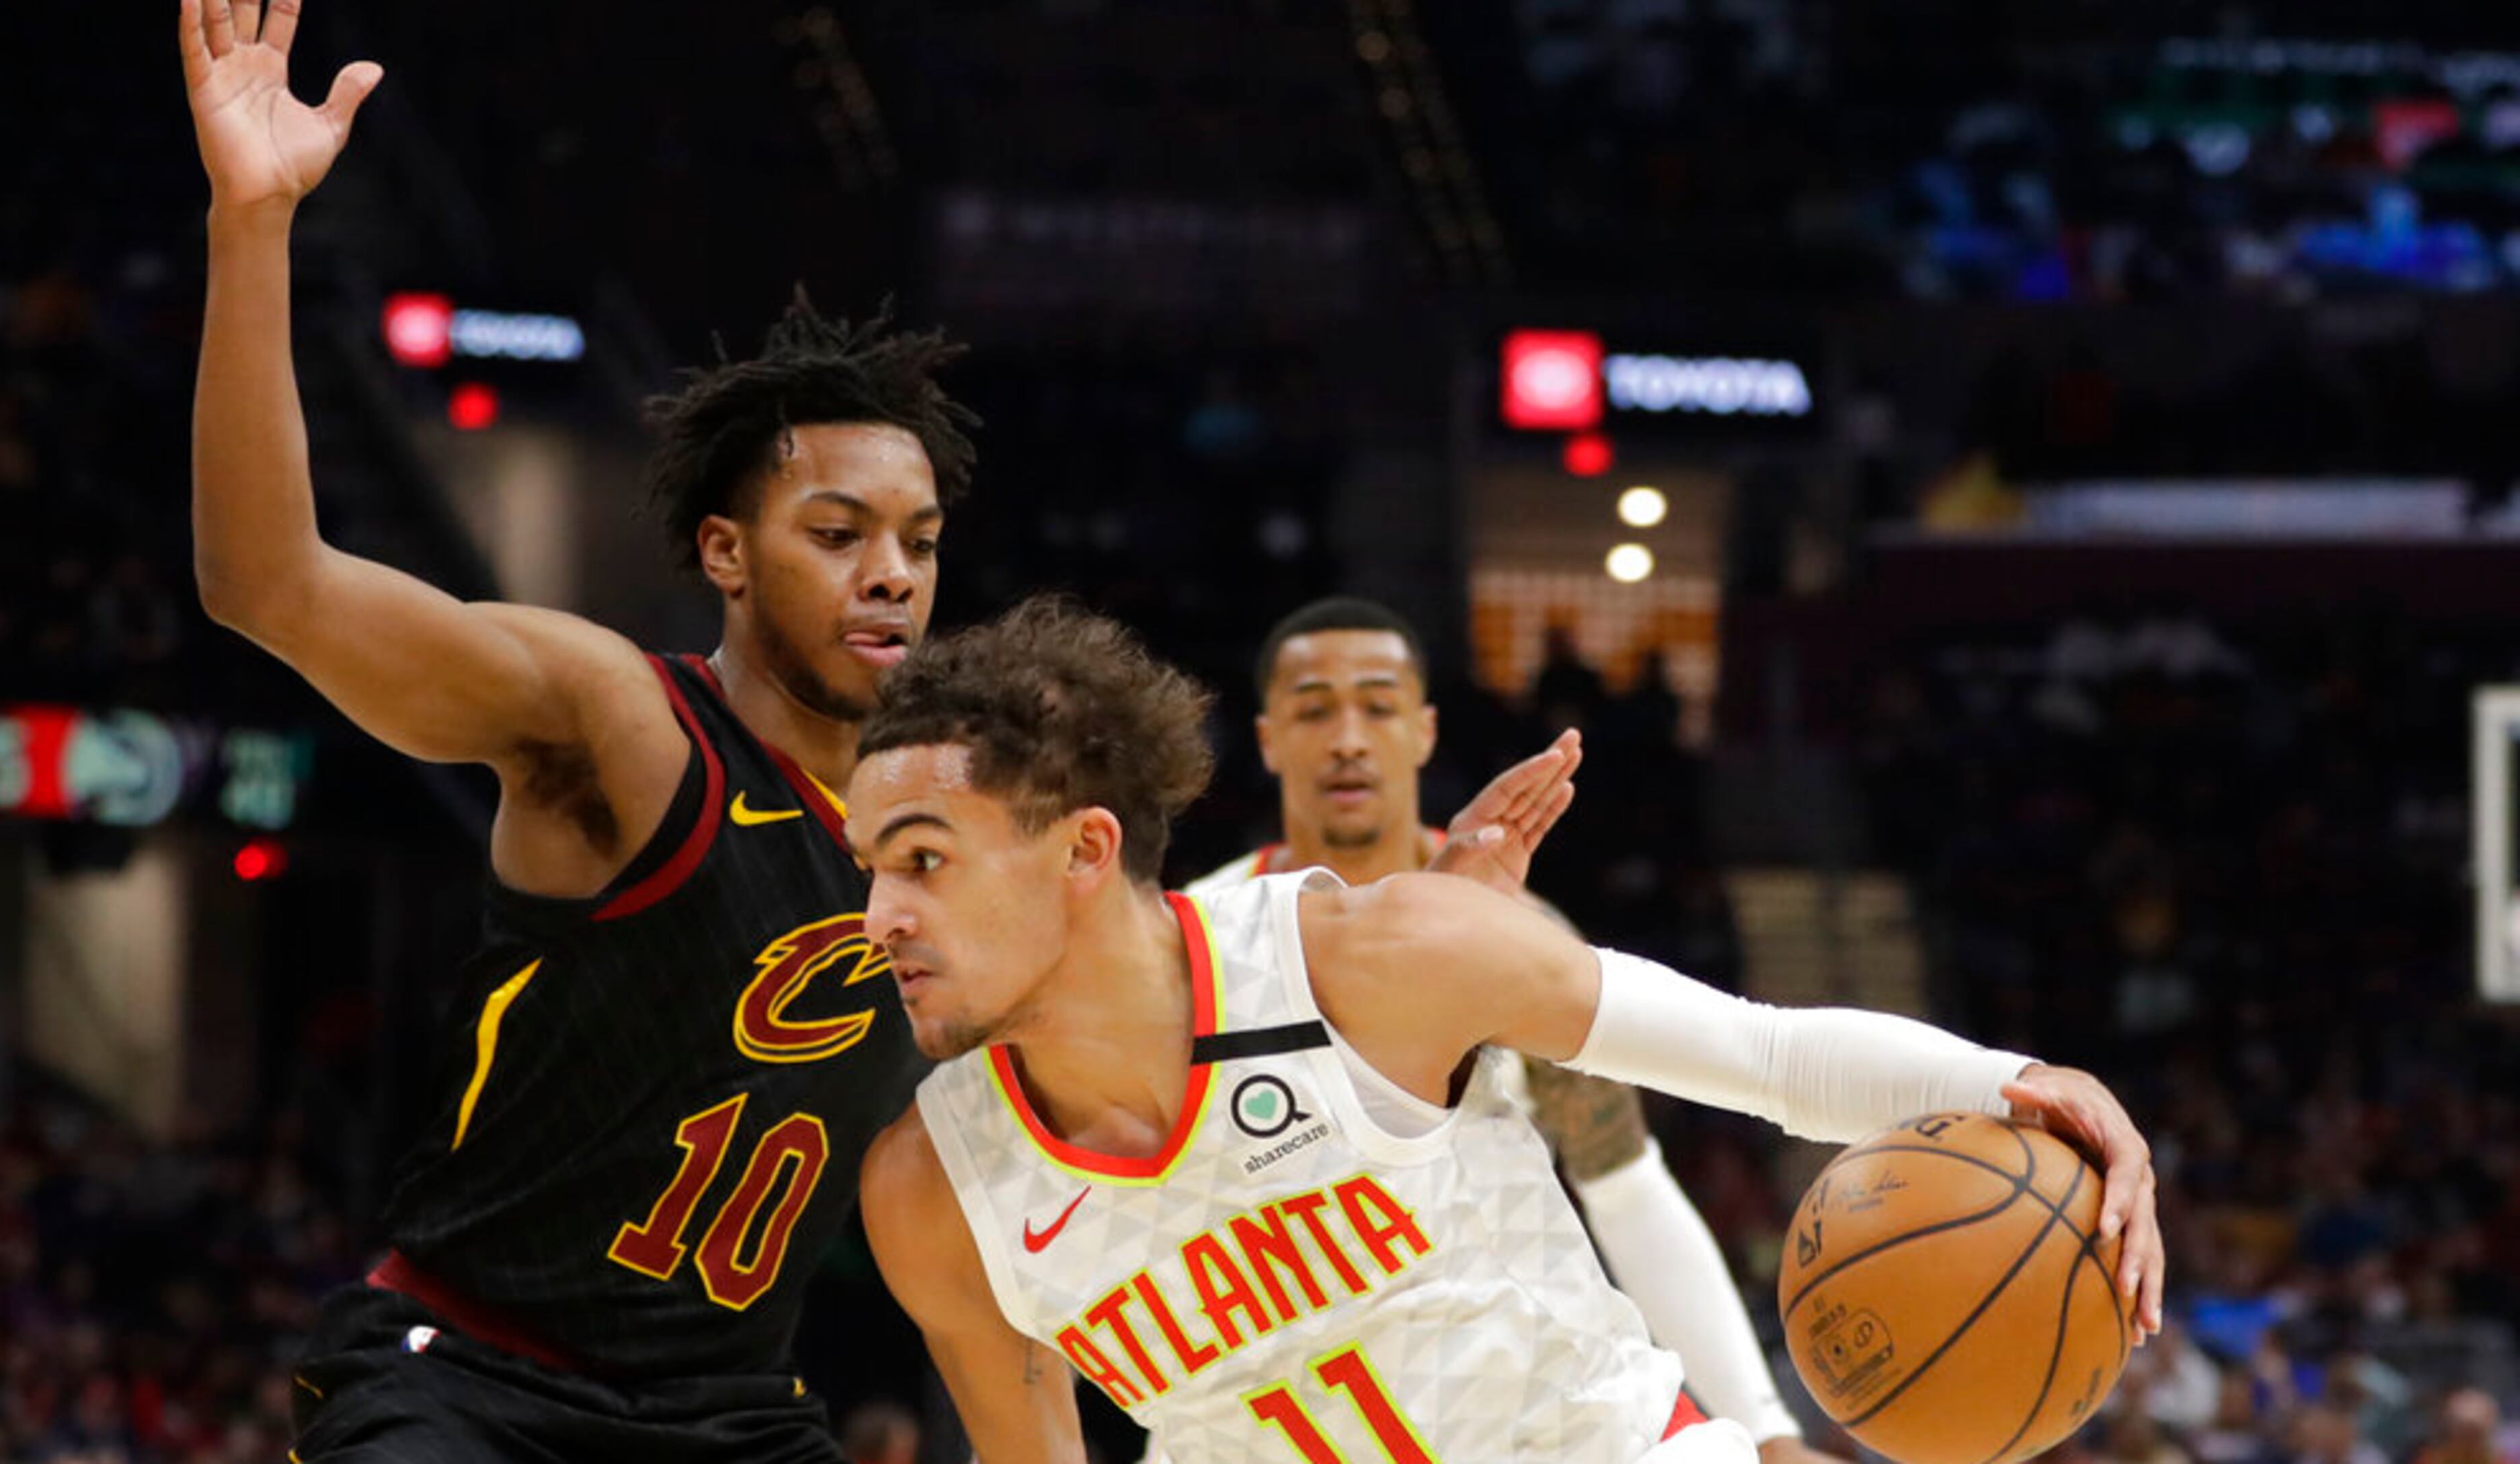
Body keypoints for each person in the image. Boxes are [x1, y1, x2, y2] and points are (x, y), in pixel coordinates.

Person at [180, 1, 975, 1455]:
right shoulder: (623, 726)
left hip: (731, 1412)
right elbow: (267, 585)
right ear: (727, 553)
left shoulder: (949, 836)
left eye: (919, 542)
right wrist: (253, 228)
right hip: (471, 1381)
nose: (892, 575)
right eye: (839, 533)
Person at [847, 599, 2166, 1464]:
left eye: (921, 860)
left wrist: (2023, 1081)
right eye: (871, 870)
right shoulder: (932, 1190)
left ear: (1085, 851)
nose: (877, 918)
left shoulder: (1384, 956)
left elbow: (1761, 1057)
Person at [1184, 595, 1827, 1461]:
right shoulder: (1197, 944)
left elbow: (1624, 1183)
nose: (1347, 739)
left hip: (1486, 1414)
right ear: (1267, 740)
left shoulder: (1513, 933)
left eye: (1378, 706)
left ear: (1424, 731)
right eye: (1313, 710)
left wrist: (1769, 1430)